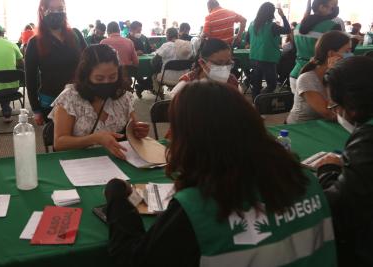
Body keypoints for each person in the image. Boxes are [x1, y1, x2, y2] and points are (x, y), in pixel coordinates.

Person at [104, 80, 336, 267]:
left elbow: (133, 260)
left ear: (194, 138)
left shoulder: (199, 207)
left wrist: (118, 198)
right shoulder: (307, 180)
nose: (169, 136)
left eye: (176, 128)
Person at [314, 56, 373, 266]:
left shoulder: (367, 139)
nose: (336, 112)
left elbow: (339, 205)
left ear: (352, 105)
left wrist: (328, 170)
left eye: (336, 106)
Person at [50, 44, 149, 159]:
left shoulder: (122, 96)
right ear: (86, 76)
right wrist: (94, 139)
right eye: (99, 78)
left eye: (112, 77)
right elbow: (59, 143)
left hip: (117, 160)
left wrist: (138, 132)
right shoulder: (69, 98)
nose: (107, 82)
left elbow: (133, 128)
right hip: (79, 164)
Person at [25, 0, 87, 126]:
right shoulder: (34, 42)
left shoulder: (76, 35)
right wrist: (36, 109)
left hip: (80, 97)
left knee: (83, 139)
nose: (56, 13)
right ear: (42, 11)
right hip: (51, 101)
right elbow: (30, 78)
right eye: (50, 9)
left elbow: (89, 62)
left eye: (60, 9)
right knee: (60, 142)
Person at [287, 31, 350, 124]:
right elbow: (330, 114)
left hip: (328, 126)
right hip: (302, 128)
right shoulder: (307, 79)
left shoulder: (343, 74)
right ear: (332, 54)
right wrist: (331, 77)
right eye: (347, 51)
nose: (350, 55)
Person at [290, 0, 341, 93]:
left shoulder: (298, 26)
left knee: (299, 106)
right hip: (316, 76)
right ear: (321, 7)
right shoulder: (332, 26)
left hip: (296, 73)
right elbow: (336, 52)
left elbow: (293, 49)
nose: (332, 9)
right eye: (330, 7)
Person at [248, 2, 291, 100]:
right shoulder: (272, 26)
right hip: (267, 59)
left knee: (256, 84)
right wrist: (283, 16)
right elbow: (288, 30)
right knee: (272, 85)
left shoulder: (252, 24)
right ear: (271, 13)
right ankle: (260, 100)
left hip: (254, 57)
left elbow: (247, 39)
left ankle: (256, 104)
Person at [171, 38, 238, 97]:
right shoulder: (185, 86)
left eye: (228, 63)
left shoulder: (232, 81)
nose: (224, 67)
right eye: (218, 63)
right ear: (202, 63)